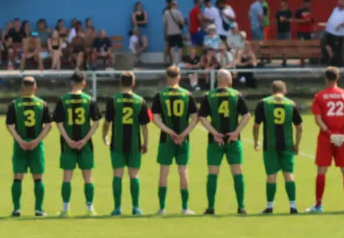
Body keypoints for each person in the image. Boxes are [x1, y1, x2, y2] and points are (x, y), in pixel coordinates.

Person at [198, 69, 250, 215]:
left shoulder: (209, 95)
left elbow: (202, 117)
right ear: (228, 80)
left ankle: (210, 207)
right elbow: (246, 115)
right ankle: (241, 207)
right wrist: (236, 131)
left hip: (215, 140)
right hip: (233, 140)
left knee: (212, 173)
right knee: (237, 173)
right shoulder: (236, 95)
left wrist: (214, 132)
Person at [53, 71, 102, 217]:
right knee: (88, 177)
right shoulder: (89, 100)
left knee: (67, 176)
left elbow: (59, 123)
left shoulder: (63, 100)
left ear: (71, 82)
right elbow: (96, 122)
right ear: (84, 83)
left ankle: (65, 210)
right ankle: (89, 209)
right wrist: (85, 139)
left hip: (68, 144)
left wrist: (68, 139)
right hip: (85, 144)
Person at [151, 66, 199, 215]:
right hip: (183, 140)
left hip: (166, 139)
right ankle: (185, 208)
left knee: (164, 172)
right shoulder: (187, 95)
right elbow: (195, 118)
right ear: (179, 77)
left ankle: (162, 208)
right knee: (183, 172)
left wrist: (169, 131)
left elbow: (156, 118)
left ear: (167, 77)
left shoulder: (160, 95)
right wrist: (183, 134)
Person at [307, 67, 344, 213]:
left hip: (325, 137)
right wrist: (342, 133)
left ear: (325, 78)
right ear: (338, 77)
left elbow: (318, 119)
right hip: (342, 137)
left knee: (322, 170)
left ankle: (318, 205)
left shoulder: (320, 96)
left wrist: (329, 134)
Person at [102, 72, 150, 216]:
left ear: (120, 83)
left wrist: (105, 137)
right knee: (134, 174)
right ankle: (136, 208)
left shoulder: (113, 100)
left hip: (117, 143)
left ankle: (117, 208)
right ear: (133, 83)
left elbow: (106, 123)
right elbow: (144, 126)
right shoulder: (140, 101)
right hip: (134, 143)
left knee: (117, 173)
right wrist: (146, 143)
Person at [253, 80, 302, 214]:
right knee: (289, 175)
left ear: (271, 90)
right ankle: (293, 206)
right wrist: (297, 145)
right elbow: (299, 128)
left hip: (270, 145)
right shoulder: (291, 104)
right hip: (287, 144)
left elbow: (256, 126)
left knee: (271, 176)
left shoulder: (263, 103)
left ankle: (269, 207)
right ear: (284, 91)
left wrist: (256, 141)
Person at [6, 77, 52, 217]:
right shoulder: (42, 104)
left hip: (20, 145)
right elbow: (48, 125)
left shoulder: (14, 104)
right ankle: (39, 209)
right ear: (35, 88)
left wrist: (20, 140)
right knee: (38, 178)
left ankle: (16, 209)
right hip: (36, 146)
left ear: (22, 87)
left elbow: (9, 125)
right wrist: (37, 141)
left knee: (17, 177)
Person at [324, 0, 344, 66]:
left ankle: (337, 63)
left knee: (338, 49)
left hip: (339, 34)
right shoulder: (335, 9)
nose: (339, 6)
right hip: (330, 32)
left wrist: (340, 25)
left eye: (341, 5)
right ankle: (331, 59)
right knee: (326, 44)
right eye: (338, 4)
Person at [163, 0, 184, 65]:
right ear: (175, 5)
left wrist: (166, 33)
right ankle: (179, 62)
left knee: (172, 47)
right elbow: (181, 22)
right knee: (180, 47)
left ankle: (173, 62)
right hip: (177, 32)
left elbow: (165, 24)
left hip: (170, 32)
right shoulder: (178, 12)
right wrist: (184, 22)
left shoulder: (166, 13)